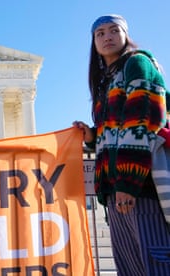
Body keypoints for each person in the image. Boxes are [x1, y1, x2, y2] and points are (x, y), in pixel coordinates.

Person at [73, 14, 170, 275]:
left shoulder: (138, 64)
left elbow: (143, 123)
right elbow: (115, 129)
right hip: (115, 190)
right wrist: (93, 136)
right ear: (94, 43)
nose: (107, 37)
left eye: (114, 30)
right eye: (100, 33)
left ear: (125, 35)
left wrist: (128, 182)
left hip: (141, 186)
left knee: (156, 262)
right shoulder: (105, 81)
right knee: (131, 267)